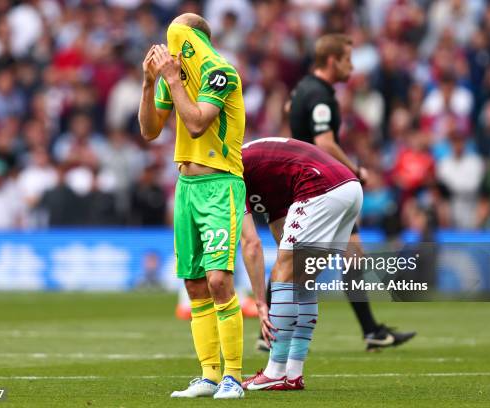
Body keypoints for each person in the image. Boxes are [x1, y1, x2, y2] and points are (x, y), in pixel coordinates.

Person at [138, 13, 268, 399]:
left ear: (194, 40)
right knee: (194, 284)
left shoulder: (221, 74)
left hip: (220, 184)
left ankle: (233, 376)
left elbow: (195, 124)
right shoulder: (174, 76)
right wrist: (149, 83)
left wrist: (173, 79)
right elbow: (149, 130)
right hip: (186, 187)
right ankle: (209, 374)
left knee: (218, 280)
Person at [282, 32, 415, 351]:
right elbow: (325, 141)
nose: (351, 67)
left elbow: (290, 108)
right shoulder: (322, 95)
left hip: (314, 183)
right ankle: (270, 328)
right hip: (322, 186)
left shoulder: (303, 88)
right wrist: (354, 170)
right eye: (347, 60)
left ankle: (371, 331)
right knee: (302, 263)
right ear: (331, 61)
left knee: (352, 256)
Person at [240, 137, 362, 390]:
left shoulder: (229, 172)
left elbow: (251, 243)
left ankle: (274, 371)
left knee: (283, 274)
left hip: (320, 186)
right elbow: (278, 227)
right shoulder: (258, 168)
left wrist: (261, 300)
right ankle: (293, 373)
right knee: (303, 279)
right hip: (348, 186)